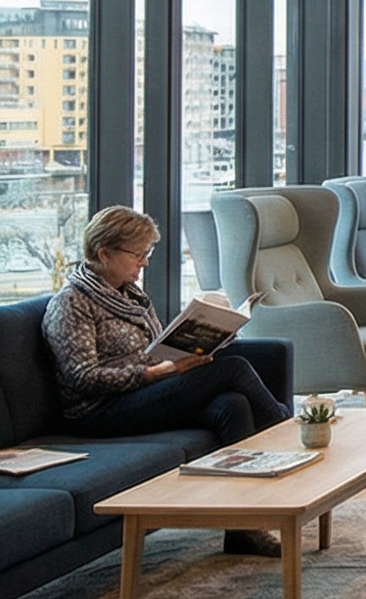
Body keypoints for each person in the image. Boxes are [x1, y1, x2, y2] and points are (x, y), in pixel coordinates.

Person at [43, 206, 293, 556]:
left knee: (231, 405)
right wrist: (154, 373)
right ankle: (287, 431)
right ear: (104, 253)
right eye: (138, 253)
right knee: (232, 370)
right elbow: (82, 376)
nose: (144, 262)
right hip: (99, 412)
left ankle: (243, 528)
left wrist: (207, 339)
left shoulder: (131, 297)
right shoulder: (71, 304)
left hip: (145, 391)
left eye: (147, 253)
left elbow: (155, 349)